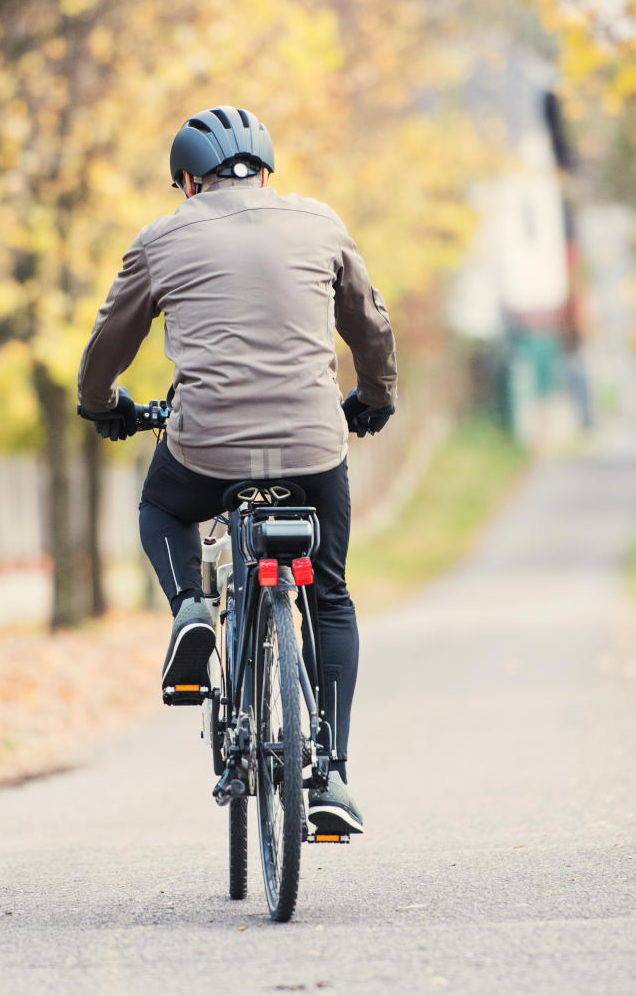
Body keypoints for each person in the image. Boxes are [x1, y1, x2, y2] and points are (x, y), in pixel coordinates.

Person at [75, 107, 397, 835]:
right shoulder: (320, 224)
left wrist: (102, 405)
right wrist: (376, 397)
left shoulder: (161, 238)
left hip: (207, 448)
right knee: (334, 597)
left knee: (163, 507)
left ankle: (190, 604)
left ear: (189, 181)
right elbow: (370, 324)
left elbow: (110, 341)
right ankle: (334, 774)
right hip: (315, 449)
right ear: (267, 172)